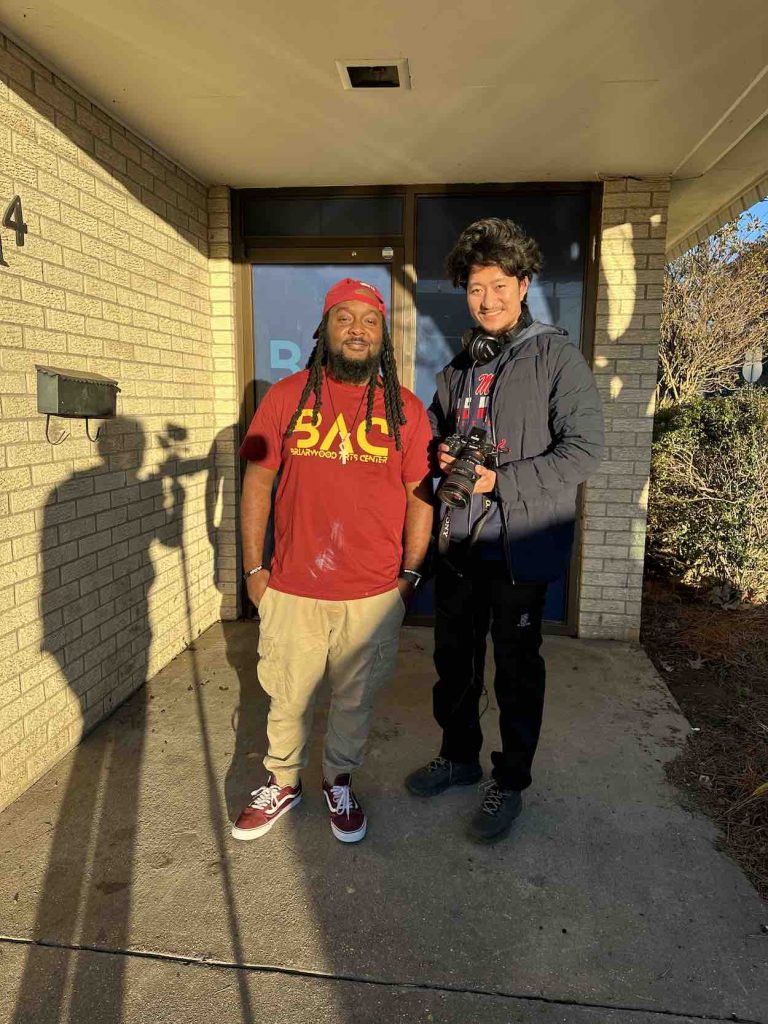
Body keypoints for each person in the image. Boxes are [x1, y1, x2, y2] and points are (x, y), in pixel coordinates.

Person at [405, 218, 604, 843]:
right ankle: (459, 757)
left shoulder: (556, 356)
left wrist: (502, 482)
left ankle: (509, 780)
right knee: (453, 661)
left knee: (516, 670)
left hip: (519, 547)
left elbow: (585, 452)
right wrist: (442, 454)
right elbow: (440, 432)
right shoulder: (461, 364)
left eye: (497, 284)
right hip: (461, 544)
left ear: (522, 285)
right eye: (473, 287)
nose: (485, 298)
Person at [234, 278, 433, 844]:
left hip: (372, 593)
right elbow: (257, 482)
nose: (357, 330)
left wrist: (410, 576)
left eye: (369, 321)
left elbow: (421, 494)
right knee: (287, 695)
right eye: (344, 318)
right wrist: (254, 571)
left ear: (382, 336)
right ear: (324, 330)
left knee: (355, 699)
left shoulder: (406, 409)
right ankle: (283, 780)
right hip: (293, 585)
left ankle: (338, 780)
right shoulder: (285, 396)